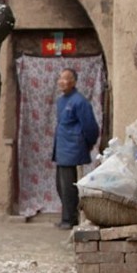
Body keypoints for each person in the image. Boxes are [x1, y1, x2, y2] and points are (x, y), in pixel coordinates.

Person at [52, 67, 100, 230]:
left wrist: (86, 144)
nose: (61, 82)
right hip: (62, 149)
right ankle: (68, 216)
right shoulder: (61, 101)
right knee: (61, 186)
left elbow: (91, 127)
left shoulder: (80, 101)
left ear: (73, 82)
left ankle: (69, 220)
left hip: (72, 149)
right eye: (60, 78)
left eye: (65, 79)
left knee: (68, 188)